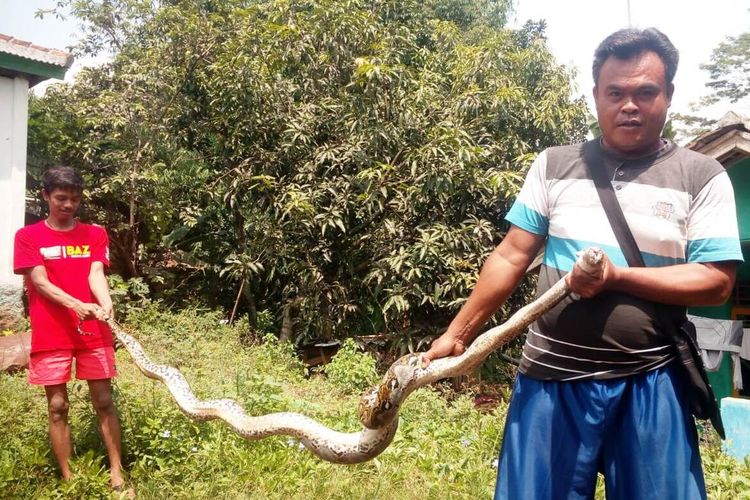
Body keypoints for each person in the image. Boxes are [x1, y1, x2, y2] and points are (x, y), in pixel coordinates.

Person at [422, 28, 743, 499]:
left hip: (650, 381)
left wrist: (618, 277)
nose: (628, 105)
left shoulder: (703, 175)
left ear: (669, 95)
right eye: (615, 93)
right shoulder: (554, 164)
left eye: (644, 92)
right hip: (550, 381)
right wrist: (458, 333)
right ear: (596, 95)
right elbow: (512, 254)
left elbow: (716, 282)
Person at [13, 166, 127, 492]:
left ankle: (117, 472)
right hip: (51, 333)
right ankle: (69, 477)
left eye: (74, 199)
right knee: (57, 406)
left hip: (94, 331)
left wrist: (106, 303)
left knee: (104, 401)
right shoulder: (28, 236)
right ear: (46, 196)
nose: (68, 205)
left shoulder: (94, 234)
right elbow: (38, 281)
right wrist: (76, 304)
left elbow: (95, 274)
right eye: (61, 198)